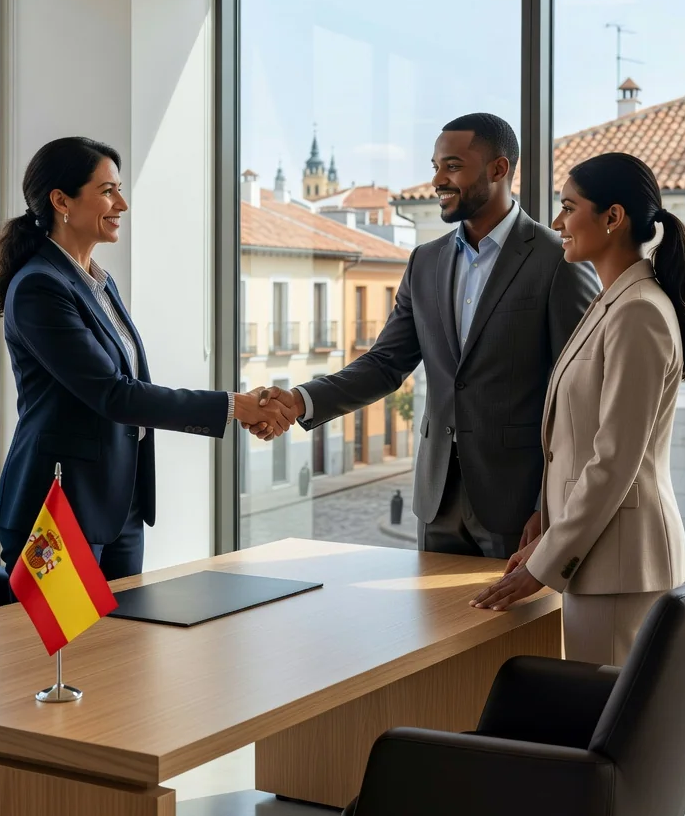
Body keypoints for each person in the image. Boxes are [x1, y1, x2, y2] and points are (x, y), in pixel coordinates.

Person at [471, 153, 685, 816]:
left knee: (614, 764)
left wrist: (542, 568)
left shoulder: (637, 312)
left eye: (569, 205)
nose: (559, 218)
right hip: (604, 553)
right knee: (617, 763)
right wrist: (543, 522)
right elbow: (578, 444)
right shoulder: (612, 300)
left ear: (614, 219)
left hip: (622, 564)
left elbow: (613, 461)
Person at [252, 114, 599, 560]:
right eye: (435, 166)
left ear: (498, 169)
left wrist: (549, 503)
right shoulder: (425, 262)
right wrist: (300, 401)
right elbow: (384, 364)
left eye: (452, 166)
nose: (437, 179)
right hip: (436, 500)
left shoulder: (557, 260)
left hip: (520, 505)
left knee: (520, 630)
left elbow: (578, 394)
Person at [0, 136, 295, 580]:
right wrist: (235, 406)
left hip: (118, 505)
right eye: (108, 190)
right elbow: (114, 394)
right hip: (56, 507)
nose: (122, 204)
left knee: (126, 646)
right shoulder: (40, 287)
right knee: (67, 650)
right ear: (61, 201)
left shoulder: (98, 282)